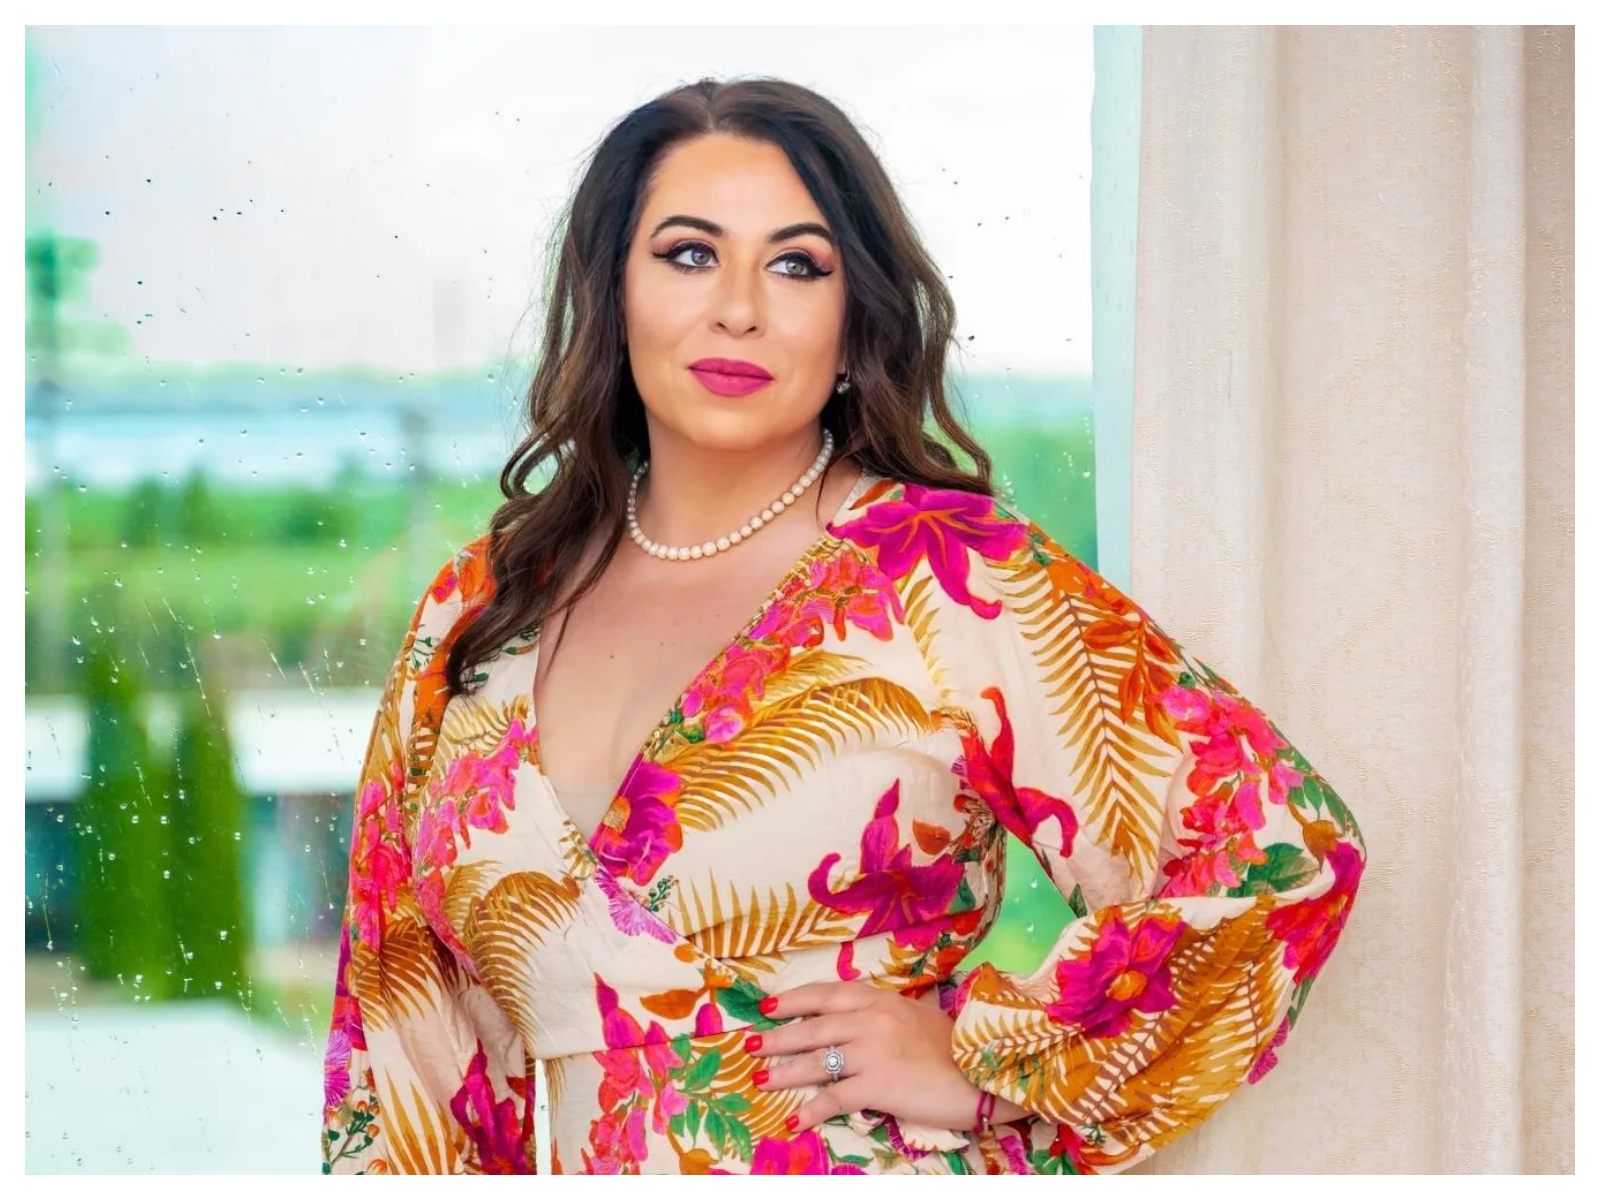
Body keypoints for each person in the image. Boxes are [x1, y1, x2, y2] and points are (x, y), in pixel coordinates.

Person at [319, 76, 1367, 1176]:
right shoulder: (482, 608)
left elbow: (1282, 855)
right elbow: (398, 1050)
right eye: (688, 254)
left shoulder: (946, 571)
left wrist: (988, 1058)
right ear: (611, 289)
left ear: (854, 314)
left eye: (796, 265)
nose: (739, 308)